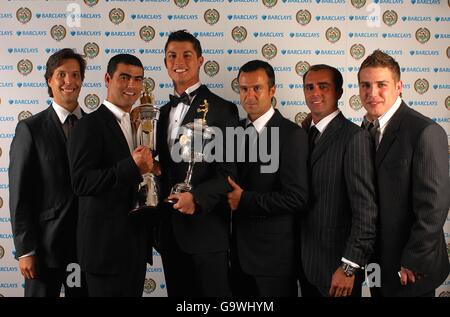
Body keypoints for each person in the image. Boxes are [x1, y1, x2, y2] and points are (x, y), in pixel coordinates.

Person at [358, 50, 450, 297]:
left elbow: (434, 206)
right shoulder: (365, 128)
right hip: (377, 263)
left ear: (399, 87)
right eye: (366, 85)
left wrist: (414, 259)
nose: (372, 92)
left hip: (409, 267)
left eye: (381, 85)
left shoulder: (424, 131)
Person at [155, 30, 239, 297]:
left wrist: (197, 198)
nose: (179, 61)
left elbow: (229, 174)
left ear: (200, 60)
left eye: (187, 55)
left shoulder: (223, 109)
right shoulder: (160, 113)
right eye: (172, 55)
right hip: (169, 235)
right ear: (165, 62)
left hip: (207, 232)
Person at [68, 54, 154, 296]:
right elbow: (81, 182)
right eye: (124, 77)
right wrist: (131, 166)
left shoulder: (139, 123)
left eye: (138, 79)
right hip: (104, 252)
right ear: (108, 78)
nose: (131, 86)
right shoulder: (88, 125)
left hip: (135, 247)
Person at [9, 48, 88, 297]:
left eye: (75, 75)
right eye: (61, 74)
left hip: (86, 249)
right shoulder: (29, 129)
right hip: (44, 250)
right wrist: (25, 250)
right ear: (49, 80)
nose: (69, 81)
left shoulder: (95, 127)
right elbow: (19, 194)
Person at [226, 60, 308, 296]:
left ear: (272, 91)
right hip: (236, 257)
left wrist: (246, 200)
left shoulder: (292, 135)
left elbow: (297, 198)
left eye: (257, 88)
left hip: (274, 261)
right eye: (243, 89)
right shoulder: (234, 132)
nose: (249, 95)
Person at [299, 64, 378, 297]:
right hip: (305, 264)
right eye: (309, 87)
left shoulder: (355, 138)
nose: (315, 93)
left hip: (337, 271)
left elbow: (366, 211)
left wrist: (349, 267)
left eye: (323, 86)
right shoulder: (301, 134)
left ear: (339, 92)